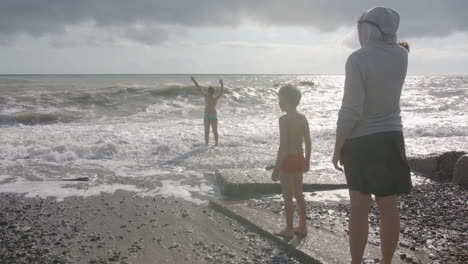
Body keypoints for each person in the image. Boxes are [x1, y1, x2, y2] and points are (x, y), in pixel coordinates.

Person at [332, 7, 412, 264]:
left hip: (361, 141)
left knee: (359, 207)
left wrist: (338, 145)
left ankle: (357, 262)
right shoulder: (402, 55)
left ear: (367, 28)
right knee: (388, 206)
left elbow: (352, 109)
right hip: (391, 137)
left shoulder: (358, 59)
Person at [271, 84, 311, 239]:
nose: (279, 103)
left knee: (287, 196)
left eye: (281, 99)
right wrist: (307, 160)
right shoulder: (302, 118)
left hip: (287, 161)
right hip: (299, 157)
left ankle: (288, 229)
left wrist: (276, 168)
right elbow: (308, 141)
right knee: (299, 194)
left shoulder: (284, 120)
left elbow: (283, 146)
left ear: (288, 101)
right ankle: (302, 226)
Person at [191, 76, 224, 146]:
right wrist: (221, 84)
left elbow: (199, 88)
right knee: (214, 131)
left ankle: (207, 145)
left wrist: (194, 81)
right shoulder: (215, 98)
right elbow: (221, 92)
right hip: (213, 116)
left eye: (208, 91)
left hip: (207, 116)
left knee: (207, 132)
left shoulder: (207, 96)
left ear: (209, 91)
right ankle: (216, 144)